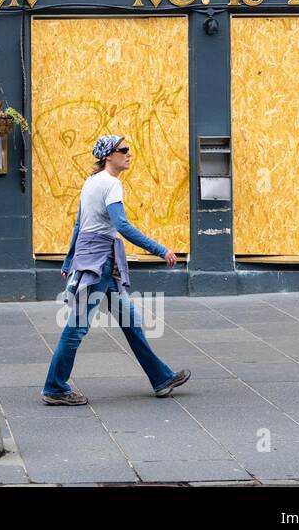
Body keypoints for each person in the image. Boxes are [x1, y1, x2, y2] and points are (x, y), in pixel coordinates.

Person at [41, 134, 190, 405]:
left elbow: (78, 225)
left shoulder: (91, 183)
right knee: (76, 327)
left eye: (129, 149)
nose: (129, 154)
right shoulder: (111, 184)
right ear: (109, 155)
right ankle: (55, 387)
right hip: (100, 262)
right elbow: (121, 226)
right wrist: (160, 249)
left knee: (131, 322)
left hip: (96, 260)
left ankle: (161, 379)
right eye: (124, 150)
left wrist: (68, 260)